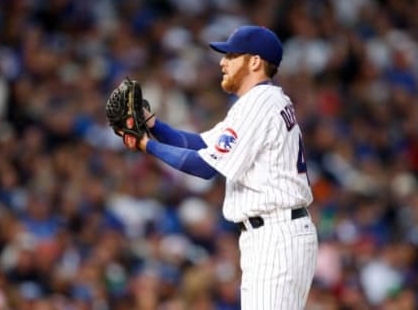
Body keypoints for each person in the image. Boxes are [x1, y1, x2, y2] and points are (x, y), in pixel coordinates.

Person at [130, 25, 318, 309]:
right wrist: (153, 125)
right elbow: (199, 144)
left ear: (254, 61)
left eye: (231, 55)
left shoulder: (259, 104)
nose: (222, 62)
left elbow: (205, 167)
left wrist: (146, 145)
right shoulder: (262, 102)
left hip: (276, 235)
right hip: (274, 233)